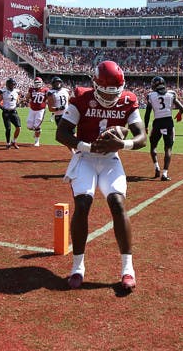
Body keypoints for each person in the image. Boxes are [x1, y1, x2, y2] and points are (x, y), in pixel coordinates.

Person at [55, 60, 147, 291]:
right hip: (85, 158)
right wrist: (87, 147)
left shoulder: (128, 100)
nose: (109, 98)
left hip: (110, 160)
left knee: (117, 203)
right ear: (94, 85)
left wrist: (122, 144)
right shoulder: (81, 98)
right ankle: (78, 267)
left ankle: (128, 269)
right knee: (83, 203)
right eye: (105, 92)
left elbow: (142, 136)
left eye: (113, 92)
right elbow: (61, 132)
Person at [143, 76, 183, 181]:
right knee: (168, 148)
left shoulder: (150, 96)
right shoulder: (171, 94)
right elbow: (182, 108)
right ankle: (165, 174)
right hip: (168, 122)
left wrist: (146, 126)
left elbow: (147, 113)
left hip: (157, 123)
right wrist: (180, 114)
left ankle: (156, 167)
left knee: (153, 146)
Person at [0, 78, 21, 149]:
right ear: (8, 84)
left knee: (18, 127)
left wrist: (18, 103)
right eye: (11, 84)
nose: (12, 85)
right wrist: (3, 108)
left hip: (13, 112)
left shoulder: (16, 91)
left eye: (13, 84)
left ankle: (14, 141)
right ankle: (8, 143)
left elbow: (17, 101)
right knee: (8, 128)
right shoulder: (3, 91)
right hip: (6, 112)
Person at [25, 77, 49, 147]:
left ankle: (37, 141)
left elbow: (49, 98)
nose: (37, 84)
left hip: (41, 110)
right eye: (36, 83)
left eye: (38, 83)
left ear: (41, 83)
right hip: (32, 109)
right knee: (29, 126)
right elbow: (27, 97)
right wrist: (27, 99)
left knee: (37, 126)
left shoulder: (46, 90)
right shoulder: (31, 89)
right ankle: (37, 131)